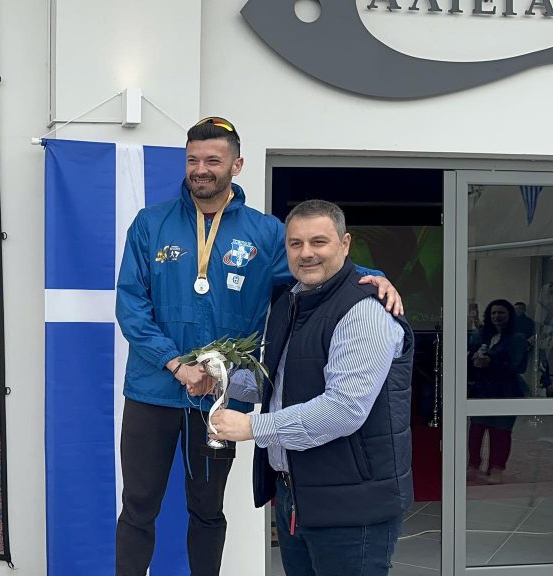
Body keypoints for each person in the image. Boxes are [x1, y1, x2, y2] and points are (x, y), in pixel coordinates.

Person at [114, 118, 402, 576]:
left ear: (237, 164)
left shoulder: (265, 233)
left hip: (218, 399)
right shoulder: (150, 225)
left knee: (207, 509)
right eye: (193, 160)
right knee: (138, 505)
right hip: (152, 391)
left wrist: (377, 276)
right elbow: (131, 305)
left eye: (213, 160)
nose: (201, 169)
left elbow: (317, 262)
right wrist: (175, 364)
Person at [210, 199, 415, 576]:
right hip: (299, 497)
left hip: (353, 509)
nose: (306, 253)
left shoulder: (364, 311)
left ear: (345, 244)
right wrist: (218, 378)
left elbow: (344, 410)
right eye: (296, 243)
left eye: (319, 242)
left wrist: (254, 426)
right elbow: (279, 382)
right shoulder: (292, 303)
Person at [467, 299, 529, 484]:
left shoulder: (517, 338)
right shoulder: (481, 336)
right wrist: (474, 361)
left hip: (506, 391)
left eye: (501, 313)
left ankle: (496, 469)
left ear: (509, 315)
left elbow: (517, 366)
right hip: (482, 391)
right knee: (476, 430)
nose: (497, 316)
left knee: (500, 432)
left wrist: (491, 362)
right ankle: (473, 467)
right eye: (493, 313)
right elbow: (469, 358)